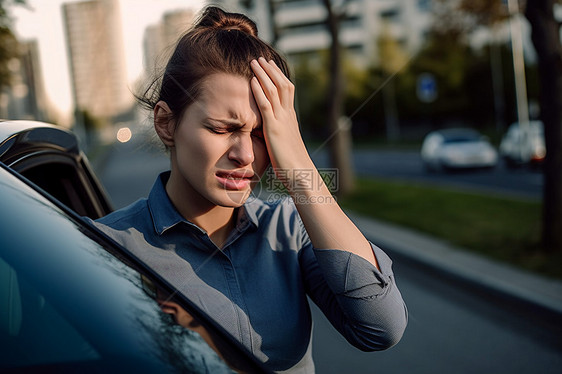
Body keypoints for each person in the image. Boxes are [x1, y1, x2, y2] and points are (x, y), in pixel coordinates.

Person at [93, 6, 407, 373]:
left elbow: (381, 328)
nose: (245, 155)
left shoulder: (288, 227)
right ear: (165, 123)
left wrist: (300, 168)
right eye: (223, 129)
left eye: (262, 135)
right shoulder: (105, 247)